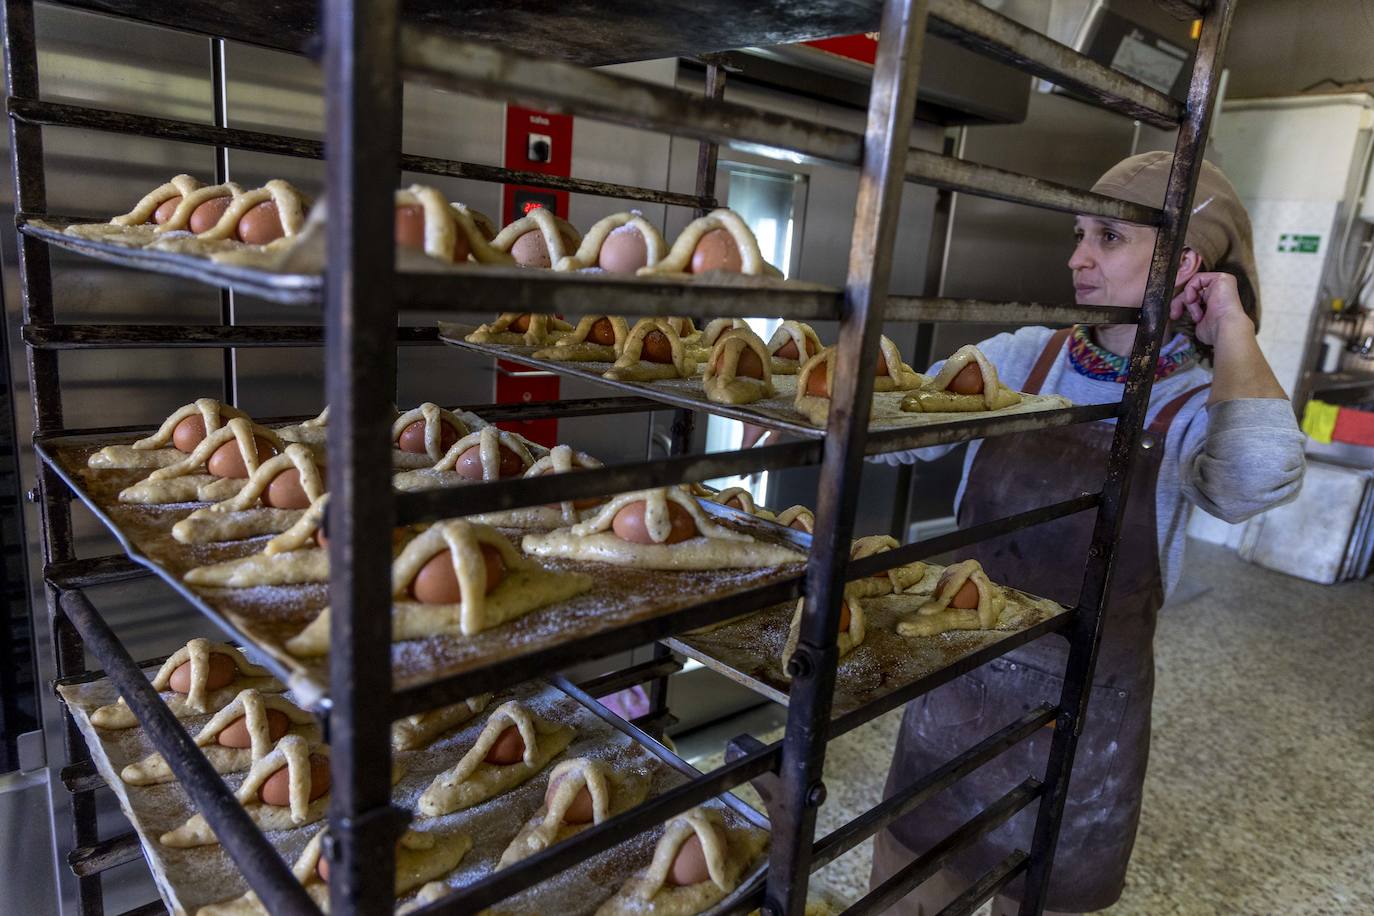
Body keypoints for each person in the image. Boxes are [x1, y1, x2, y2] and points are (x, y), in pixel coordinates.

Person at [865, 152, 1307, 914]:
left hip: (1085, 714)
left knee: (1038, 893)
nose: (1078, 258)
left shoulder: (1196, 402)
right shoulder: (1019, 359)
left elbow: (1252, 480)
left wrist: (1231, 325)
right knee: (909, 884)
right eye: (1079, 234)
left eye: (1108, 238)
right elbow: (905, 426)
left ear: (1186, 263)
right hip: (958, 678)